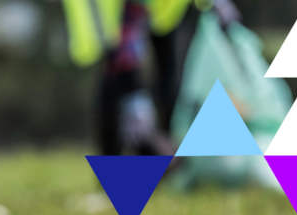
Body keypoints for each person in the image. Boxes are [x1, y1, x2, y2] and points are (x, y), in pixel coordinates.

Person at [62, 0, 240, 155]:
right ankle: (120, 174)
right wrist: (131, 86)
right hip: (116, 11)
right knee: (119, 86)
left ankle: (167, 163)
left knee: (171, 78)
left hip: (166, 10)